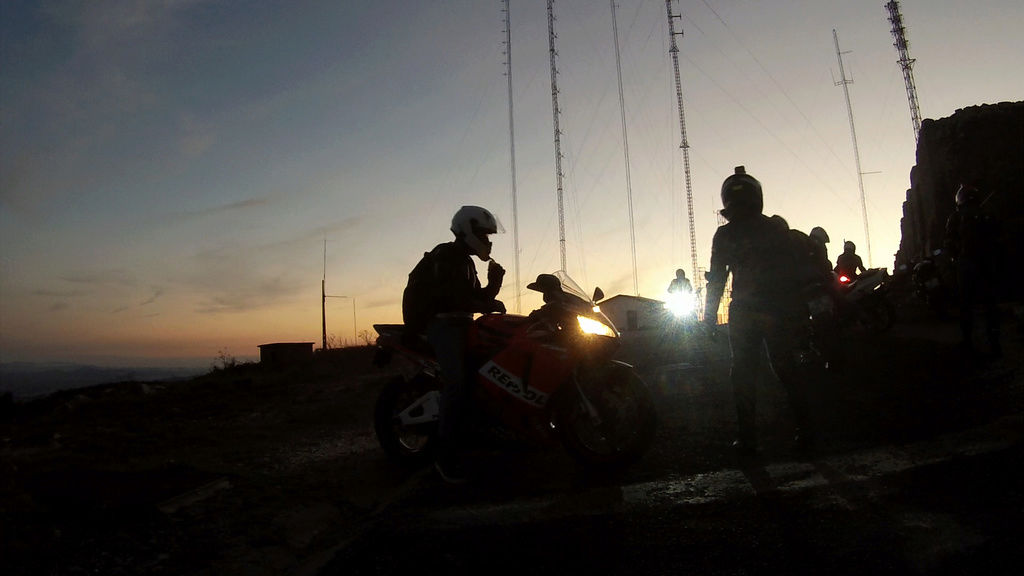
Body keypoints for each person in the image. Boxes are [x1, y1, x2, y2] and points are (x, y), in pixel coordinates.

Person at [703, 166, 815, 459]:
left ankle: (748, 439)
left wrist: (708, 318)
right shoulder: (775, 228)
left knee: (743, 373)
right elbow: (791, 271)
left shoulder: (725, 235)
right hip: (774, 308)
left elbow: (717, 279)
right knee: (784, 369)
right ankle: (806, 432)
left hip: (746, 311)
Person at [402, 205, 506, 483]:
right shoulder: (446, 255)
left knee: (489, 368)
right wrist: (489, 300)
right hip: (443, 326)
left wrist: (493, 285)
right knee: (456, 381)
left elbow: (474, 298)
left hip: (462, 324)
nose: (488, 241)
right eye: (484, 235)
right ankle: (444, 454)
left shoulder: (467, 262)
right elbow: (453, 299)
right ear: (468, 231)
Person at [944, 184, 1001, 358]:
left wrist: (955, 258)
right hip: (987, 262)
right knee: (990, 304)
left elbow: (948, 242)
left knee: (966, 304)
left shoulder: (956, 216)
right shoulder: (987, 214)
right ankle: (995, 344)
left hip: (966, 263)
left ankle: (968, 342)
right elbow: (998, 237)